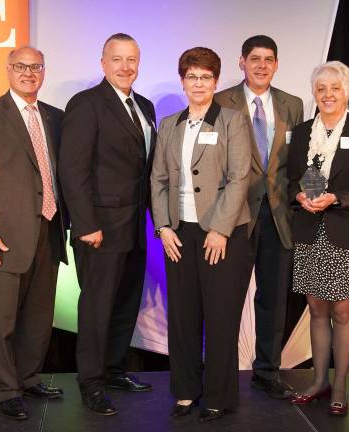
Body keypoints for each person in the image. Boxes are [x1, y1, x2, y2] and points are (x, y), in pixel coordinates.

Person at [0, 46, 68, 420]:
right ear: (8, 70)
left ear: (44, 71)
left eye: (35, 66)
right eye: (20, 66)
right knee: (0, 320)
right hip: (0, 239)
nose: (28, 73)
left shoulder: (55, 117)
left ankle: (28, 377)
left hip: (48, 232)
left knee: (38, 317)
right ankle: (7, 390)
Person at [151, 47, 251, 423]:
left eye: (206, 77)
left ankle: (218, 396)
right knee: (183, 316)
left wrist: (220, 230)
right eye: (192, 76)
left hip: (221, 236)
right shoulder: (169, 124)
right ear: (182, 80)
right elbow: (157, 179)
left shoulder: (232, 121)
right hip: (179, 235)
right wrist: (163, 228)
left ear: (215, 81)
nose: (198, 83)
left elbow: (240, 178)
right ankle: (185, 391)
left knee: (221, 317)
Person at [58, 33, 156, 416]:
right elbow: (72, 169)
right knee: (97, 307)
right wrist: (85, 223)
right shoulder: (86, 104)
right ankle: (91, 382)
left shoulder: (143, 105)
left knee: (125, 302)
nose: (125, 67)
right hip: (98, 227)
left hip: (134, 225)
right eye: (117, 59)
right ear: (103, 63)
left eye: (132, 59)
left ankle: (114, 369)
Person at [287, 61, 349, 415]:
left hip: (345, 232)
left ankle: (340, 385)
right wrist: (299, 196)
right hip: (310, 232)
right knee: (315, 309)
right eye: (321, 88)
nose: (328, 94)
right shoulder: (300, 134)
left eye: (335, 88)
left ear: (348, 91)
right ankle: (318, 381)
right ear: (314, 93)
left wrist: (337, 198)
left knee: (342, 312)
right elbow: (291, 179)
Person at [215, 35, 304, 399]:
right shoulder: (222, 101)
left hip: (280, 215)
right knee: (227, 297)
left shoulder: (293, 104)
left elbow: (298, 160)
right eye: (255, 59)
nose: (262, 65)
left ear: (277, 64)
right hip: (235, 216)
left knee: (273, 298)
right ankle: (219, 372)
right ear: (242, 62)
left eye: (269, 59)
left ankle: (267, 371)